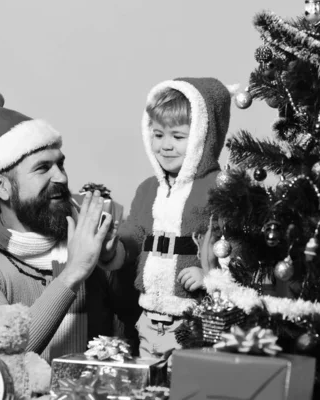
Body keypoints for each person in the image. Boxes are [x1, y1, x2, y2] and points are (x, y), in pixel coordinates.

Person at [0, 91, 133, 362]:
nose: (61, 176)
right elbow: (4, 358)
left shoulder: (89, 228)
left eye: (60, 164)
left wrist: (111, 261)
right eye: (42, 168)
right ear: (2, 187)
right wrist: (73, 273)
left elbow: (134, 323)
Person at [98, 77, 235, 358]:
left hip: (192, 319)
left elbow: (234, 245)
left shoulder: (218, 188)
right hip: (148, 316)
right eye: (158, 135)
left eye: (178, 136)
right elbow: (135, 231)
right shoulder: (149, 188)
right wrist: (115, 248)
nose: (166, 146)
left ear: (202, 137)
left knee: (185, 385)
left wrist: (210, 277)